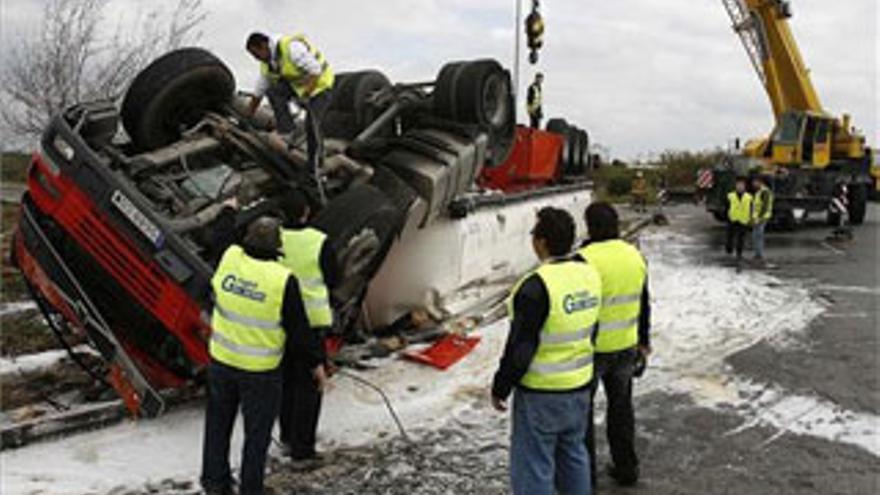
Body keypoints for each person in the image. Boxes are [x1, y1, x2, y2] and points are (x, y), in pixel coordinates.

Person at [200, 216, 321, 495]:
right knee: (256, 435)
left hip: (221, 362)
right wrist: (315, 362)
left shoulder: (230, 257)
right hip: (260, 372)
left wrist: (228, 209)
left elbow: (221, 234)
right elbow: (299, 330)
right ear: (277, 249)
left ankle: (214, 483)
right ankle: (251, 489)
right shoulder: (281, 280)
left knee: (217, 425)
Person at [492, 207, 602, 495]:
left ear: (541, 242)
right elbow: (594, 328)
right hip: (579, 388)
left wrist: (501, 386)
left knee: (534, 468)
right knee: (574, 457)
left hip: (541, 394)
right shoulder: (589, 275)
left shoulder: (536, 286)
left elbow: (521, 347)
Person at [578, 202, 651, 488]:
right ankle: (627, 468)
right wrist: (644, 341)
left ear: (590, 226)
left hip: (592, 351)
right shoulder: (635, 256)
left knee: (582, 416)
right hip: (626, 347)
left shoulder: (584, 259)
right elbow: (643, 301)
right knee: (621, 410)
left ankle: (585, 478)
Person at [276, 190, 340, 462]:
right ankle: (304, 449)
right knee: (310, 386)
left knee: (287, 382)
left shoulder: (273, 238)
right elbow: (334, 278)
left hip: (278, 322)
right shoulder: (319, 241)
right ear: (306, 212)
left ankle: (288, 436)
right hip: (311, 322)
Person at [245, 32, 335, 175]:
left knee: (312, 124)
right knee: (273, 91)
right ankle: (287, 130)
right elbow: (259, 91)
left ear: (263, 46)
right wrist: (248, 115)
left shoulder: (292, 48)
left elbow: (315, 71)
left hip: (320, 87)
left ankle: (316, 164)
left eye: (256, 55)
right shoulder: (267, 64)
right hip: (300, 87)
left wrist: (306, 95)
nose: (257, 59)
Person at [725, 176, 752, 265]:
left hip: (743, 220)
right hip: (732, 219)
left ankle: (739, 254)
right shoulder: (730, 196)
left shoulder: (749, 197)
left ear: (744, 187)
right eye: (738, 185)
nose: (740, 187)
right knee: (730, 237)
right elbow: (727, 207)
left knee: (741, 238)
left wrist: (750, 218)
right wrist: (728, 216)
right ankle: (729, 251)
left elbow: (751, 208)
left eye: (742, 185)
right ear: (736, 186)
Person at [750, 176, 774, 262]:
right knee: (755, 236)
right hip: (758, 218)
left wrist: (759, 218)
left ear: (760, 182)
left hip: (762, 218)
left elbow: (765, 206)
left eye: (755, 182)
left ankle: (759, 254)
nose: (753, 184)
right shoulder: (759, 192)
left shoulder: (765, 192)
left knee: (758, 236)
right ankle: (757, 254)